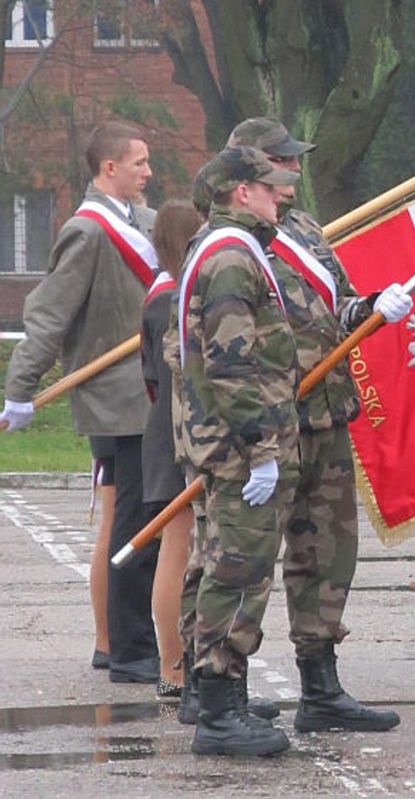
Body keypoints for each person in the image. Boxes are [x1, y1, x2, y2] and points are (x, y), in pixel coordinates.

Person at [226, 117, 413, 732]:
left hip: (327, 414)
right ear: (252, 169)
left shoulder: (303, 229)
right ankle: (223, 689)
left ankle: (321, 686)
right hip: (270, 422)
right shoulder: (232, 241)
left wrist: (373, 308)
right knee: (246, 558)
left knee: (326, 554)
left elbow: (340, 307)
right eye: (283, 161)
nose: (296, 170)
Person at [2, 121, 160, 682]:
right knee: (134, 524)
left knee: (129, 519)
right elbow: (50, 314)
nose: (148, 172)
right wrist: (20, 388)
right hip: (119, 401)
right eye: (139, 163)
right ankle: (130, 649)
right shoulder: (87, 231)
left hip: (147, 394)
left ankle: (115, 641)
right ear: (108, 167)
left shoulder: (144, 222)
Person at [176, 146, 303, 757]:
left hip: (225, 441)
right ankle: (219, 714)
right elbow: (230, 366)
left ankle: (225, 698)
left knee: (229, 566)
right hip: (236, 446)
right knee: (238, 572)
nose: (282, 194)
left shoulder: (230, 247)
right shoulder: (230, 258)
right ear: (240, 192)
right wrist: (260, 450)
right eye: (269, 186)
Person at [143, 200, 199, 699]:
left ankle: (182, 665)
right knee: (177, 550)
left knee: (182, 549)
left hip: (166, 430)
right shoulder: (173, 299)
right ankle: (173, 668)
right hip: (176, 435)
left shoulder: (162, 294)